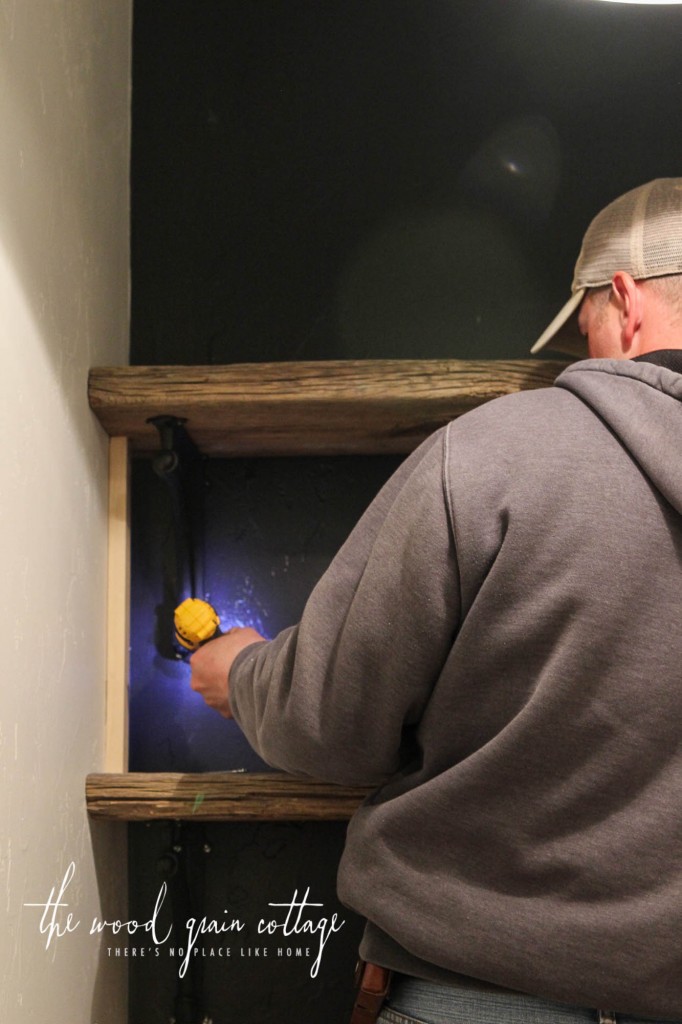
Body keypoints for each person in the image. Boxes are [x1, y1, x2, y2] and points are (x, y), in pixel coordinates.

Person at [189, 177, 682, 1024]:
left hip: (479, 997)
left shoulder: (495, 454)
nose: (581, 358)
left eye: (585, 330)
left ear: (626, 301)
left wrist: (239, 673)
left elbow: (328, 720)